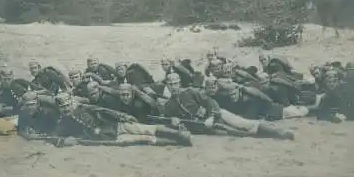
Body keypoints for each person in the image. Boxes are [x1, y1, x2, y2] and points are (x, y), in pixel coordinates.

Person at [159, 73, 294, 140]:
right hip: (203, 127)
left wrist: (211, 117)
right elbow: (171, 121)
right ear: (167, 85)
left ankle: (279, 133)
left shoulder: (190, 92)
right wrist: (174, 123)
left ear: (180, 83)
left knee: (244, 124)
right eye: (171, 84)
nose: (174, 87)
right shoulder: (168, 105)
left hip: (217, 114)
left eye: (176, 83)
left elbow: (211, 102)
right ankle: (269, 134)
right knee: (240, 134)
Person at [53, 92, 192, 147]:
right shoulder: (62, 123)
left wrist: (122, 116)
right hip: (109, 139)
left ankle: (179, 134)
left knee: (148, 129)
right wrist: (63, 141)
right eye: (63, 107)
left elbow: (104, 111)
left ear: (71, 103)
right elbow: (53, 137)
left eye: (67, 105)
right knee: (145, 139)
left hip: (116, 126)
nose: (66, 108)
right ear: (59, 108)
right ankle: (176, 143)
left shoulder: (82, 107)